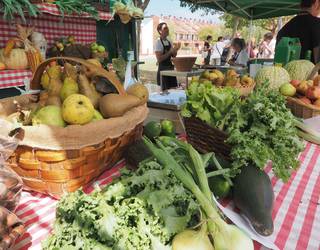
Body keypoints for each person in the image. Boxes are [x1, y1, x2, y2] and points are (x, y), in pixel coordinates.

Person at [154, 22, 181, 90]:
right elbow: (159, 59)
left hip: (170, 70)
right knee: (164, 92)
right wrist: (170, 52)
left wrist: (176, 49)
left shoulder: (169, 41)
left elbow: (174, 56)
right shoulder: (158, 42)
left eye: (167, 27)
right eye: (165, 28)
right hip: (163, 70)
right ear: (160, 31)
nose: (167, 29)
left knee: (173, 90)